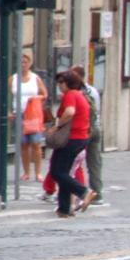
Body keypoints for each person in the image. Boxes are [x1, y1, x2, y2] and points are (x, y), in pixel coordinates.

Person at [45, 70, 95, 217]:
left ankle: (84, 192)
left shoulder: (70, 95)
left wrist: (57, 126)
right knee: (64, 173)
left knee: (57, 172)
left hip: (71, 139)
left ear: (69, 83)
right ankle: (64, 209)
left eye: (61, 82)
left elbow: (70, 112)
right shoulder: (80, 95)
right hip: (80, 138)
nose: (59, 85)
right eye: (58, 82)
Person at [9, 52, 49, 181]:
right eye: (21, 62)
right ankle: (26, 172)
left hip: (33, 114)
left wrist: (37, 97)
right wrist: (8, 111)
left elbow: (45, 94)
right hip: (19, 113)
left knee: (36, 143)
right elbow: (4, 95)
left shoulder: (35, 78)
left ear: (30, 64)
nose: (23, 65)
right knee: (24, 144)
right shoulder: (13, 79)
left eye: (25, 62)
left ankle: (38, 172)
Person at [70, 65, 102, 204]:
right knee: (94, 163)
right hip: (95, 128)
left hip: (83, 129)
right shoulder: (93, 90)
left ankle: (80, 192)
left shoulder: (76, 92)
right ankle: (97, 193)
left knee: (74, 162)